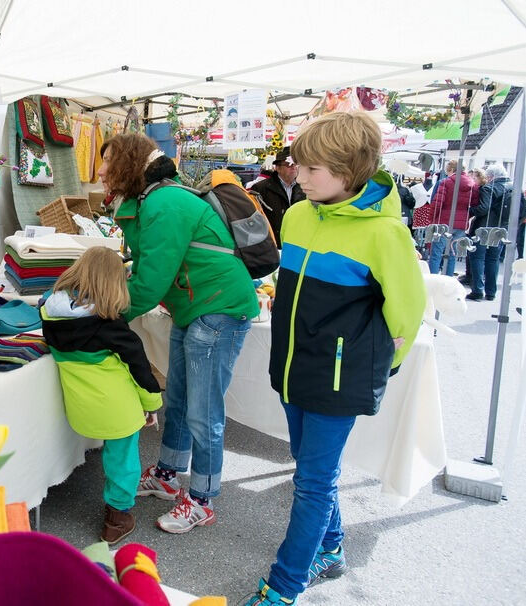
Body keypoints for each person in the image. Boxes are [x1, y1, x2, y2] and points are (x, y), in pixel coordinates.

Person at [242, 112, 425, 606]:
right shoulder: (299, 215)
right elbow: (294, 283)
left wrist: (375, 367)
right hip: (293, 366)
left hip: (338, 380)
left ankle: (284, 586)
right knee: (308, 467)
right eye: (297, 166)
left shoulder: (386, 235)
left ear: (349, 171)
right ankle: (332, 545)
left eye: (310, 170)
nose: (297, 177)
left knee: (312, 482)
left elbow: (407, 314)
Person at [101, 133, 258, 534]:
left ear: (127, 164)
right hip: (197, 307)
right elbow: (148, 265)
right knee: (180, 399)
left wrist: (103, 316)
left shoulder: (165, 203)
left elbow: (150, 283)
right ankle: (168, 476)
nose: (101, 172)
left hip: (218, 309)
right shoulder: (155, 198)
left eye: (107, 163)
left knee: (203, 413)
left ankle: (203, 499)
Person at [40, 246, 163, 545]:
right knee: (123, 461)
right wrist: (152, 404)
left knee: (113, 454)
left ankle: (117, 514)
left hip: (82, 408)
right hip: (119, 408)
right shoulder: (112, 328)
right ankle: (117, 519)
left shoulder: (50, 316)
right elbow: (140, 371)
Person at [467, 164, 526, 301]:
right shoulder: (515, 187)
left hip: (484, 228)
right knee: (493, 259)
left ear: (491, 176)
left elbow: (483, 208)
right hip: (502, 229)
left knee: (477, 257)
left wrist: (470, 210)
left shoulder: (489, 188)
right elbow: (522, 210)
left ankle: (477, 290)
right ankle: (491, 292)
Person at [426, 159, 478, 275]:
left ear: (451, 170)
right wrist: (466, 215)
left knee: (436, 254)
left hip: (444, 222)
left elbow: (437, 203)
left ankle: (433, 281)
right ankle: (449, 280)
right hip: (461, 224)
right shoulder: (472, 185)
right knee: (452, 253)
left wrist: (431, 218)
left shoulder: (446, 182)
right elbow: (475, 205)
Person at [250, 147, 307, 244]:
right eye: (288, 164)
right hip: (272, 243)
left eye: (295, 164)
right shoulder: (260, 188)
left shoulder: (306, 187)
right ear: (277, 167)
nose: (293, 167)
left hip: (299, 241)